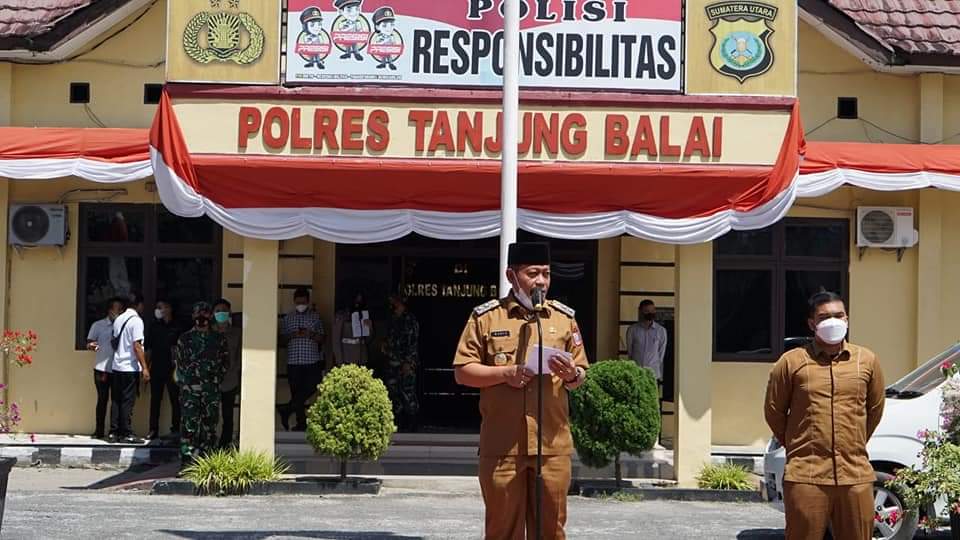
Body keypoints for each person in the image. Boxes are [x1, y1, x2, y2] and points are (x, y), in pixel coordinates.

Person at [453, 242, 589, 540]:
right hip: (503, 446)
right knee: (502, 530)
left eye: (546, 274)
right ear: (511, 276)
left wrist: (572, 375)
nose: (541, 281)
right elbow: (463, 372)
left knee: (551, 531)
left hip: (551, 445)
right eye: (533, 273)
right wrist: (506, 374)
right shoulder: (486, 318)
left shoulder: (563, 319)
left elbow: (581, 374)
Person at [764, 291, 886, 540]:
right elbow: (774, 411)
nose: (833, 321)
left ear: (847, 318)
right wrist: (798, 443)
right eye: (825, 316)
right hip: (807, 475)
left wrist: (854, 442)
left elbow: (875, 409)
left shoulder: (867, 360)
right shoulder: (791, 362)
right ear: (812, 323)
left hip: (855, 476)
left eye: (839, 315)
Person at [175, 302, 229, 467]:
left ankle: (207, 462)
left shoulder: (218, 339)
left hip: (210, 390)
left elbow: (225, 364)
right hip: (190, 390)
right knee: (188, 427)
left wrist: (213, 381)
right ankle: (186, 462)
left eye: (205, 314)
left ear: (210, 316)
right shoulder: (184, 339)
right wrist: (188, 384)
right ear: (193, 316)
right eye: (198, 314)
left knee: (210, 427)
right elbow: (180, 364)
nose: (201, 318)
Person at [278, 288, 325, 431]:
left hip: (311, 361)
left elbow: (322, 338)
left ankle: (286, 408)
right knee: (296, 392)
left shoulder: (315, 318)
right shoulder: (288, 318)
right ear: (294, 301)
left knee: (313, 386)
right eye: (298, 302)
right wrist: (293, 335)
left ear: (308, 301)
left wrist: (310, 334)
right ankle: (301, 423)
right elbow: (281, 340)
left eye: (303, 302)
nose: (300, 304)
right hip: (293, 361)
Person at [109, 296, 150, 444]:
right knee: (127, 400)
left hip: (116, 365)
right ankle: (126, 433)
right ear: (139, 305)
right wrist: (145, 367)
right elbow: (137, 346)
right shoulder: (136, 321)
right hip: (129, 367)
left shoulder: (119, 319)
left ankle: (114, 432)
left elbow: (113, 341)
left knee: (116, 400)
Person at [85, 297, 123, 440]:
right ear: (110, 310)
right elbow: (89, 343)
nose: (118, 311)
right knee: (102, 399)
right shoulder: (98, 325)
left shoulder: (123, 326)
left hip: (118, 368)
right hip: (102, 368)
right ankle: (99, 430)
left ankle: (114, 431)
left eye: (121, 309)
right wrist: (92, 346)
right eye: (116, 308)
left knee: (116, 400)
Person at [145, 299, 181, 441]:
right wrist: (146, 369)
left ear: (169, 308)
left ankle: (175, 429)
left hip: (173, 369)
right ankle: (153, 430)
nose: (159, 310)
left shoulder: (178, 326)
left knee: (175, 400)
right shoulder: (154, 326)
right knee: (155, 400)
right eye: (157, 307)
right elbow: (148, 348)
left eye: (162, 307)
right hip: (157, 367)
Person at [383, 294, 419, 431]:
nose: (392, 304)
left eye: (394, 301)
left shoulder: (409, 320)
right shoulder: (393, 319)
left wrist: (408, 362)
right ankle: (397, 422)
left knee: (408, 393)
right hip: (392, 363)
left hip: (405, 364)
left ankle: (412, 423)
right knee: (393, 393)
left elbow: (412, 344)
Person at [214, 299, 242, 449]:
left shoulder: (237, 333)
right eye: (218, 311)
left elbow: (239, 356)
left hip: (230, 379)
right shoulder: (210, 331)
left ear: (229, 312)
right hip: (211, 380)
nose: (221, 314)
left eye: (223, 310)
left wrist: (234, 370)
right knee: (210, 415)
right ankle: (209, 442)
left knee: (228, 414)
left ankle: (225, 444)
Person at [333, 292, 372, 366]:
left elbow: (368, 340)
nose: (358, 303)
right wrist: (340, 361)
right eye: (356, 300)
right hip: (347, 357)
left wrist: (370, 328)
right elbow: (336, 340)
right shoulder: (341, 315)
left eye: (361, 301)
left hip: (362, 358)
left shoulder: (364, 314)